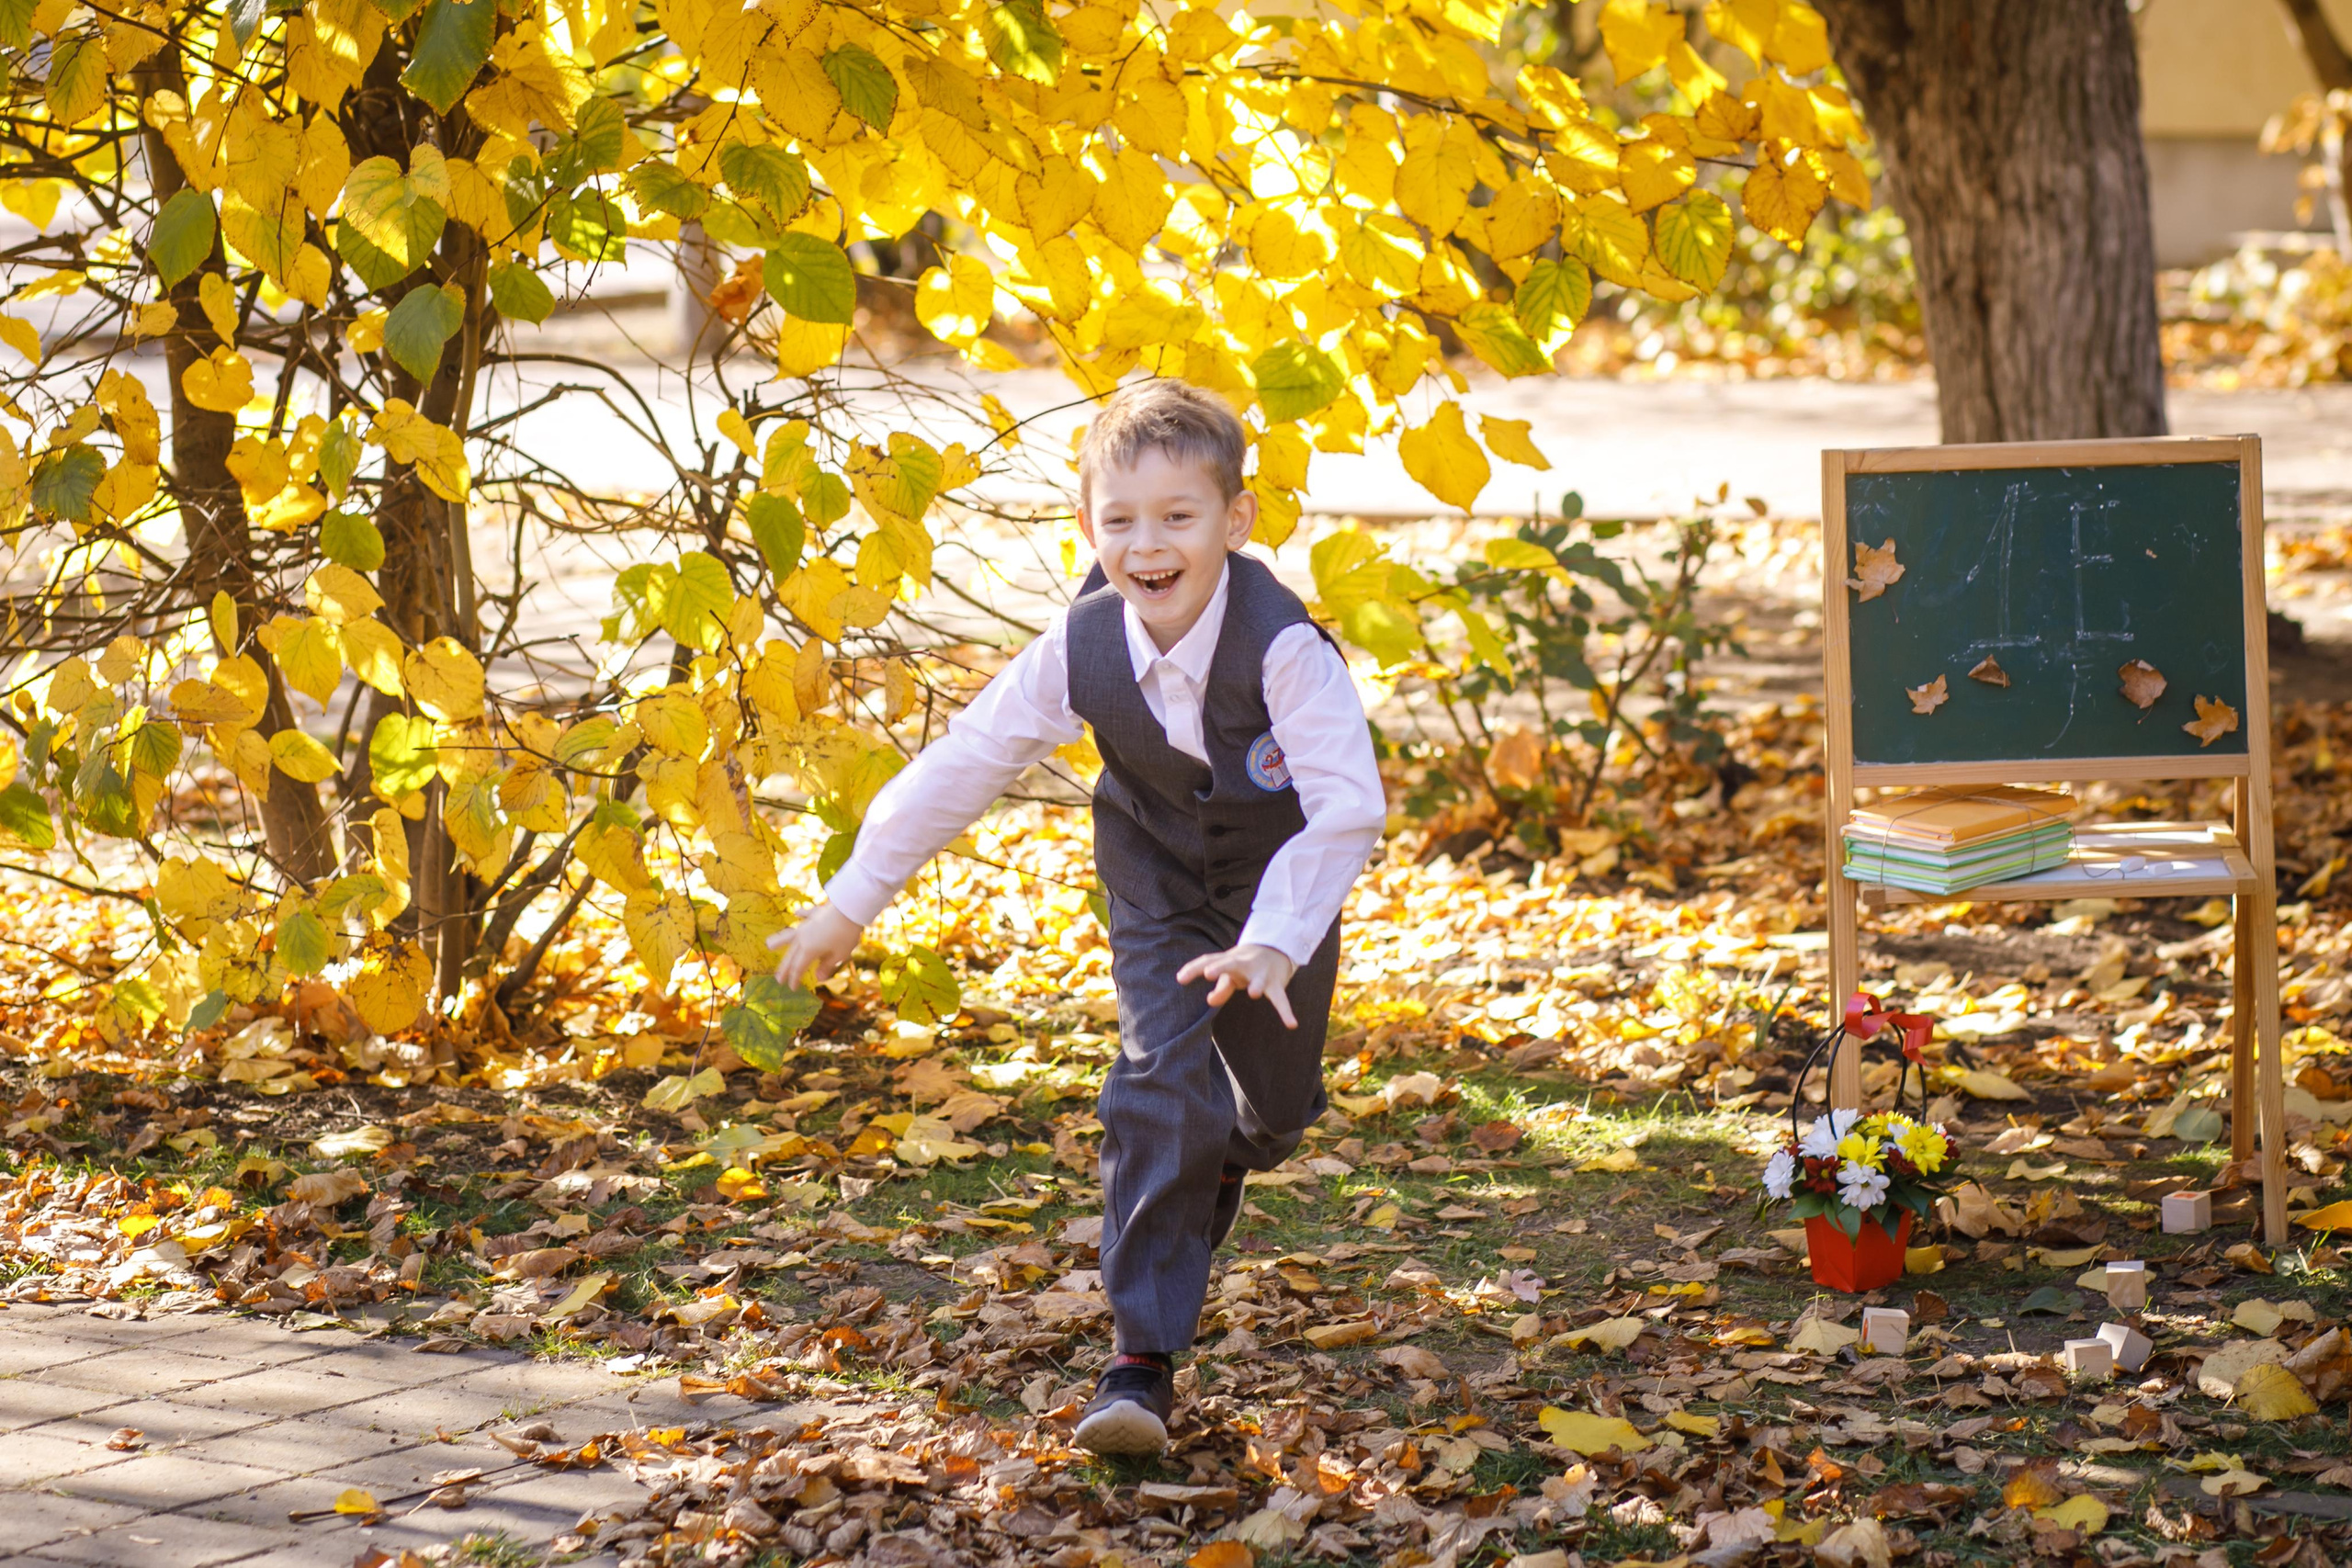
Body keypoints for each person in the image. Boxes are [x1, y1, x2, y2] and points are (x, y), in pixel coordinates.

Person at [768, 379, 1385, 1455]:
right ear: (1087, 526)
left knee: (1272, 1117)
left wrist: (1275, 940)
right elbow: (966, 761)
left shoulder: (1284, 646)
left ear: (1234, 520)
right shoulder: (1081, 643)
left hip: (1276, 895)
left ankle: (1222, 1153)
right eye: (1120, 520)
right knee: (1157, 1084)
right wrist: (849, 901)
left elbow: (1347, 806)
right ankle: (1138, 1365)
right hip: (1155, 882)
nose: (1147, 545)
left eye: (1178, 516)